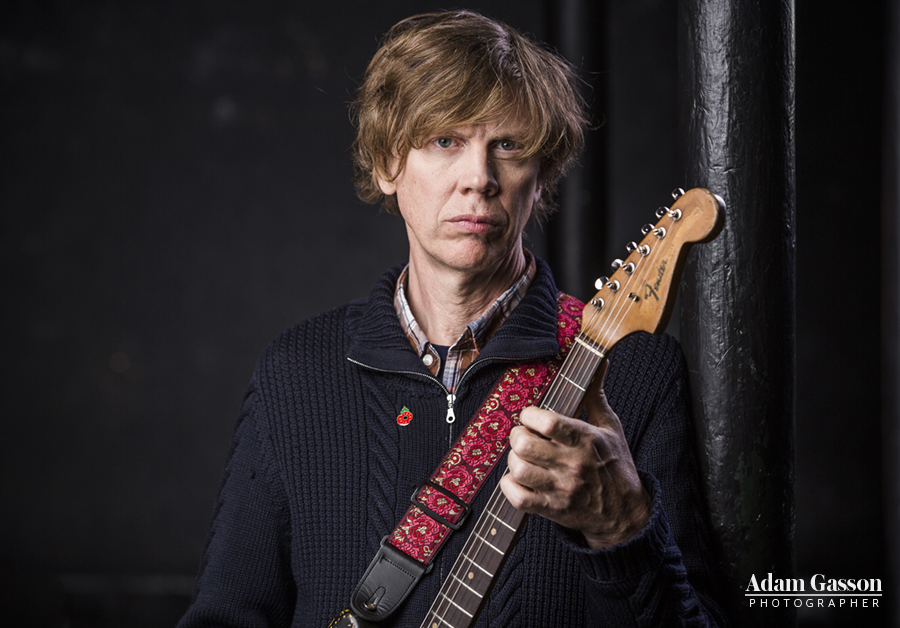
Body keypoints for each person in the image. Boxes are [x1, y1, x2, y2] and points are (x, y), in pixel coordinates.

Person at [179, 10, 725, 627]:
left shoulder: (636, 373)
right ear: (388, 164)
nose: (480, 179)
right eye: (445, 141)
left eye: (509, 147)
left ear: (540, 174)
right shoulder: (296, 373)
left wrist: (622, 529)